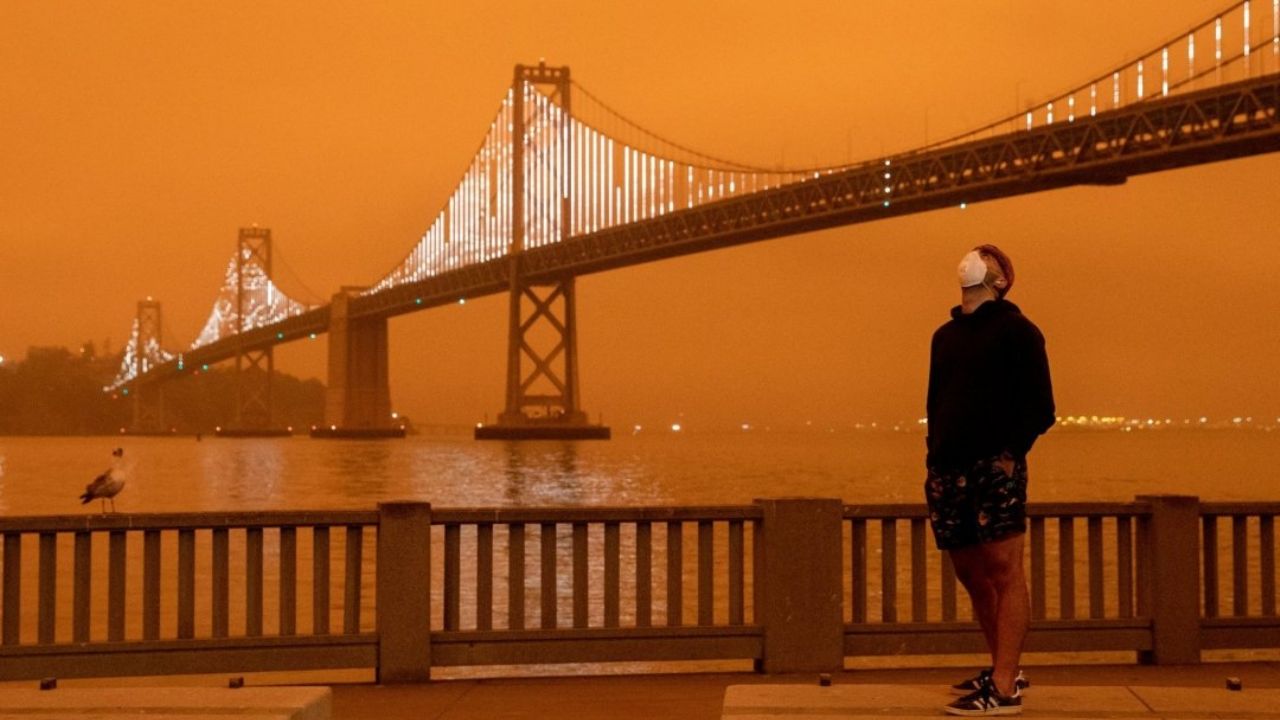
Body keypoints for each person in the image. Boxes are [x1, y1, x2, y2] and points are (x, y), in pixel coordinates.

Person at [925, 245, 1054, 716]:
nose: (975, 256)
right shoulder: (944, 336)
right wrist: (933, 455)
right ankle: (1002, 664)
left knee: (1004, 571)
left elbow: (1042, 408)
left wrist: (1007, 455)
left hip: (992, 467)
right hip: (946, 470)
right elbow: (935, 402)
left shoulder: (1019, 331)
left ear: (1001, 280)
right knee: (971, 574)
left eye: (988, 256)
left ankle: (1003, 686)